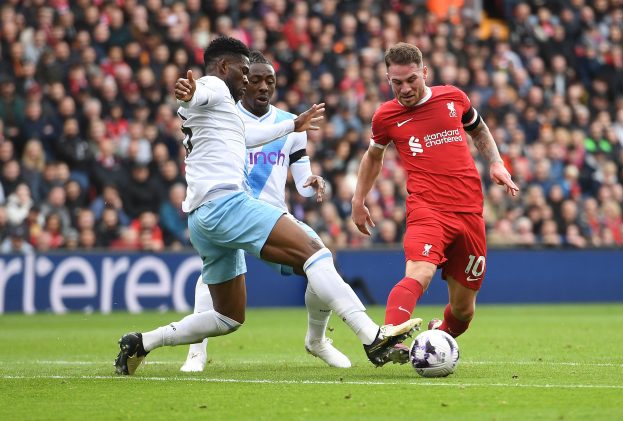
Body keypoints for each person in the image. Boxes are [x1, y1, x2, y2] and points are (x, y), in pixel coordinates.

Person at [114, 36, 421, 376]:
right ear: (223, 67)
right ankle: (371, 336)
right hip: (226, 204)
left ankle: (142, 342)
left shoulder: (224, 111)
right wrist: (190, 90)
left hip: (201, 218)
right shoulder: (213, 87)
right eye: (244, 72)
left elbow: (245, 137)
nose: (247, 80)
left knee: (227, 317)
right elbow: (200, 90)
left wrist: (292, 125)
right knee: (315, 252)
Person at [181, 51, 350, 371]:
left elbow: (300, 179)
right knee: (209, 279)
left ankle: (317, 340)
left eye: (269, 81)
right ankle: (195, 353)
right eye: (254, 78)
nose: (262, 86)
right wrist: (193, 94)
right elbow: (196, 102)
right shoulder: (224, 115)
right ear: (242, 81)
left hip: (270, 214)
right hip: (232, 208)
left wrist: (311, 181)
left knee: (318, 265)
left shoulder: (291, 123)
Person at [351, 42, 519, 362]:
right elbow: (373, 157)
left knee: (463, 311)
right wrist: (359, 200)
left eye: (411, 79)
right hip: (427, 209)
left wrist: (496, 162)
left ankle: (437, 336)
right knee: (420, 271)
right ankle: (386, 338)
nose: (404, 89)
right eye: (396, 82)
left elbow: (479, 129)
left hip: (470, 212)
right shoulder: (386, 117)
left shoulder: (453, 98)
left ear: (424, 73)